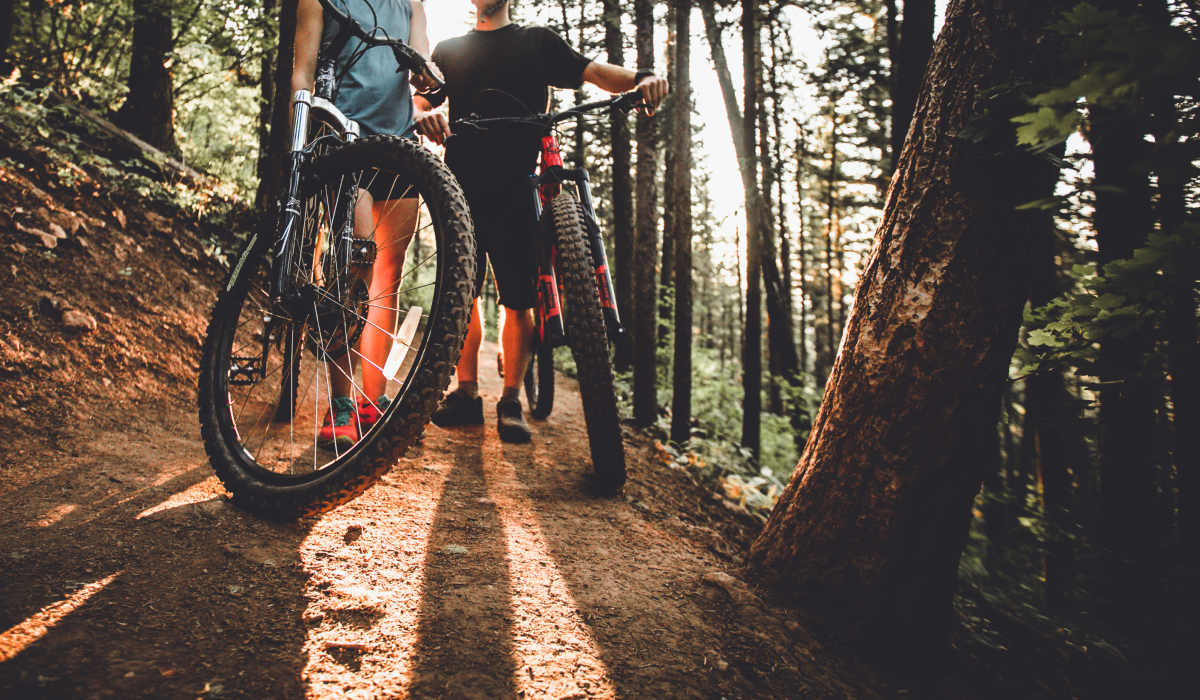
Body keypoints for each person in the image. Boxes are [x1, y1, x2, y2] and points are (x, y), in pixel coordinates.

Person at [413, 0, 667, 443]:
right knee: (461, 290)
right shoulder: (449, 51)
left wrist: (641, 77)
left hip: (518, 186)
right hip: (460, 187)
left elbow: (591, 70)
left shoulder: (537, 42)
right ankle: (467, 392)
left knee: (519, 298)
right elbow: (421, 100)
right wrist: (423, 115)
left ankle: (511, 399)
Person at [292, 0, 440, 449]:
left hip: (397, 146)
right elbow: (301, 71)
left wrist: (427, 81)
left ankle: (368, 398)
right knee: (355, 266)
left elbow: (421, 63)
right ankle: (340, 404)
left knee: (387, 281)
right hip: (341, 141)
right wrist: (298, 141)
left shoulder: (410, 3)